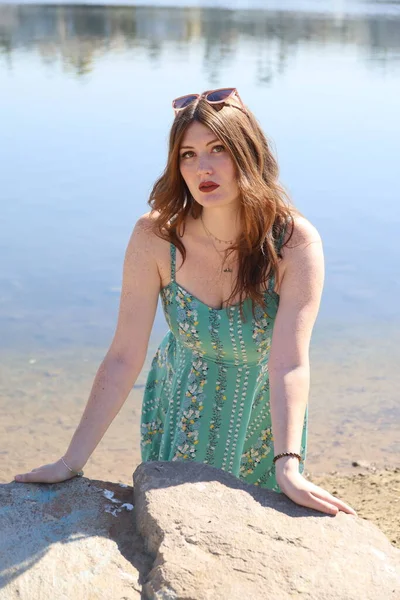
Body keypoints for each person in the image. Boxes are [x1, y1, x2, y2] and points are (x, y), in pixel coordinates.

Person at [15, 88, 356, 517]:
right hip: (180, 407)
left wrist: (289, 464)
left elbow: (289, 362)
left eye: (218, 149)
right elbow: (123, 356)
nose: (203, 168)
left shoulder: (293, 242)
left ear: (248, 154)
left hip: (261, 420)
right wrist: (71, 461)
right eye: (188, 154)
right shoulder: (156, 237)